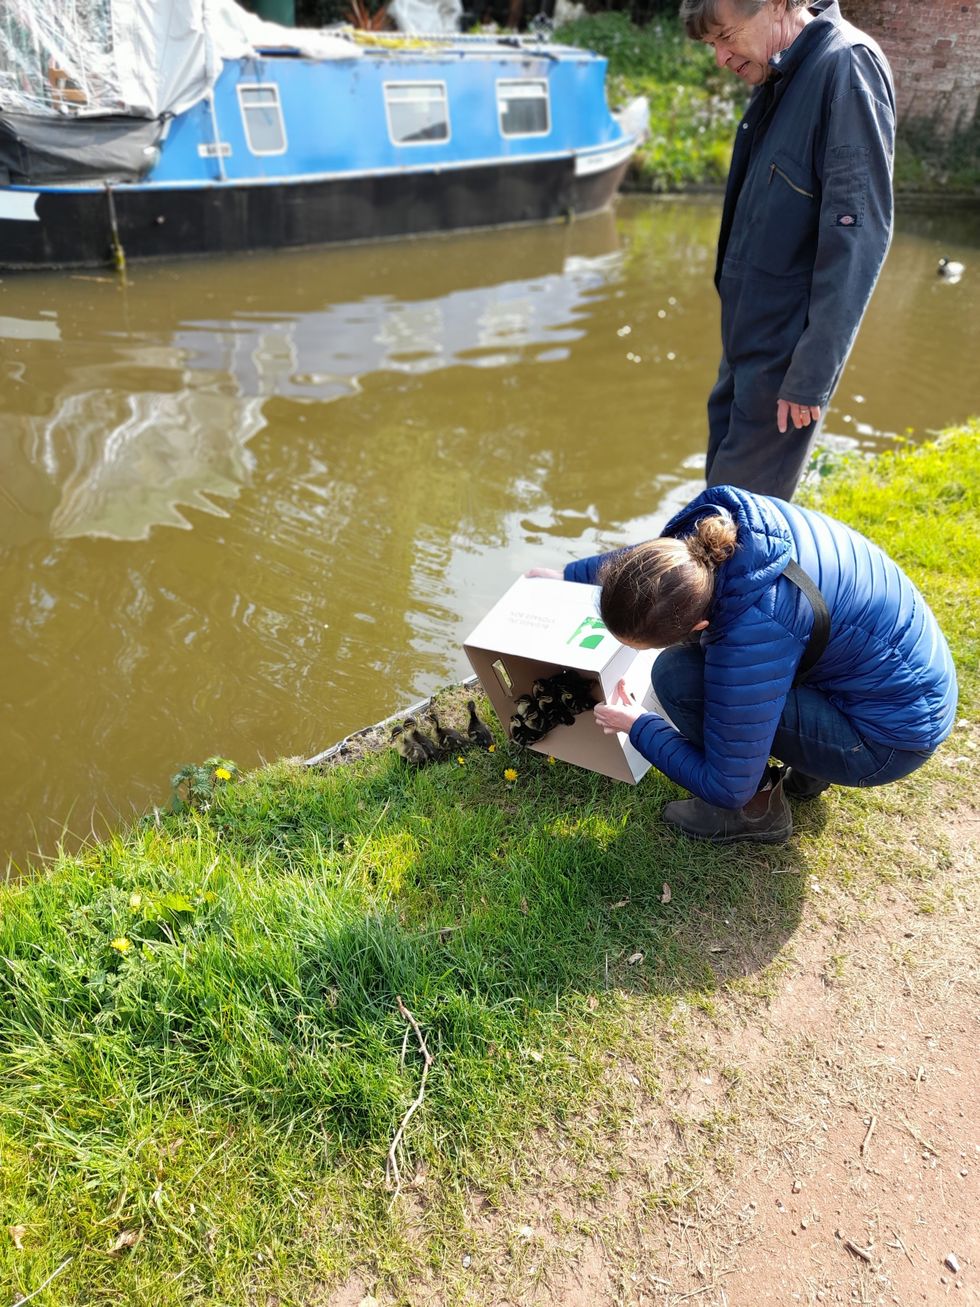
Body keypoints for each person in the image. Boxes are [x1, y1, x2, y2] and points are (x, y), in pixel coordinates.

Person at [529, 485, 957, 843]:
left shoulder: (754, 630)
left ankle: (758, 813)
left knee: (678, 677)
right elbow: (648, 568)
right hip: (894, 681)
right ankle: (811, 768)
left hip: (887, 742)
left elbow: (726, 784)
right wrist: (568, 574)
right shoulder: (711, 532)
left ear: (699, 623)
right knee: (741, 680)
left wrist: (637, 724)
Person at [680, 0, 895, 500]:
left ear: (778, 5)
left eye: (727, 37)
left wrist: (811, 374)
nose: (721, 57)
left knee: (736, 519)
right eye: (712, 45)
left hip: (784, 359)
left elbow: (857, 234)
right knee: (722, 498)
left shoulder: (845, 67)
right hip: (746, 343)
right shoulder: (783, 74)